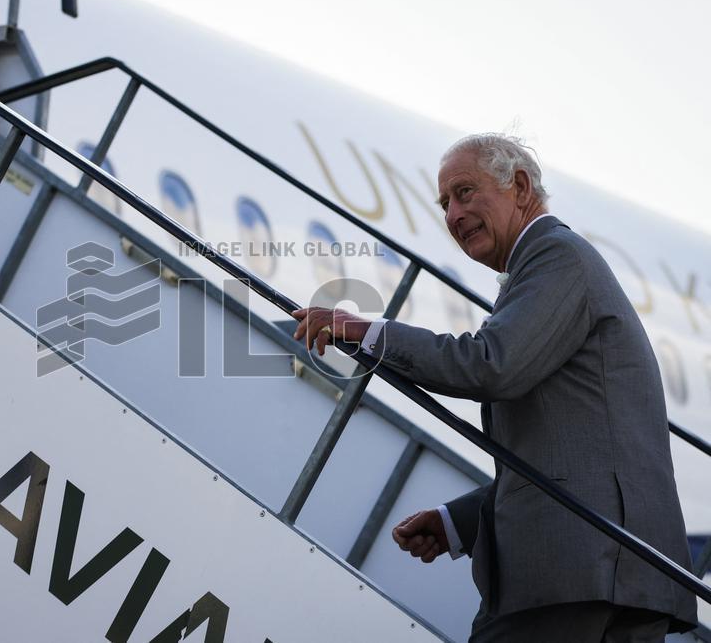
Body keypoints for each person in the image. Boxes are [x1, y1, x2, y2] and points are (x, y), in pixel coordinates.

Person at [292, 134, 698, 641]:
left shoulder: (558, 256)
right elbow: (578, 454)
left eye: (465, 192)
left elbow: (489, 365)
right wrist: (459, 520)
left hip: (581, 571)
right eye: (444, 204)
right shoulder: (551, 264)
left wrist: (367, 331)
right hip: (605, 570)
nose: (453, 215)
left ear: (521, 187)